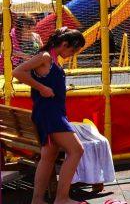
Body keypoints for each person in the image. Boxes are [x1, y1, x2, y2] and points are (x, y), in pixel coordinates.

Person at [12, 27, 86, 204]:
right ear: (64, 44)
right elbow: (17, 72)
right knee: (76, 150)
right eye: (73, 50)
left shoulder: (52, 59)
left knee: (49, 156)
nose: (73, 54)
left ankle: (37, 200)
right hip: (50, 114)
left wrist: (53, 88)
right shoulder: (45, 57)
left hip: (50, 111)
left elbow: (45, 79)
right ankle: (62, 199)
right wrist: (42, 88)